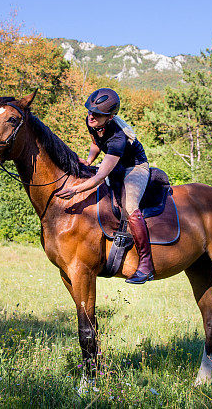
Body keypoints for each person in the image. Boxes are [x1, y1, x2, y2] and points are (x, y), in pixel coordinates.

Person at [55, 88, 154, 283]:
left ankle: (146, 263)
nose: (91, 116)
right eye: (90, 111)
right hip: (113, 163)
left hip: (133, 167)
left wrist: (74, 189)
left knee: (130, 206)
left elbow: (100, 177)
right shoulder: (92, 121)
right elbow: (96, 142)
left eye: (97, 114)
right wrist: (89, 160)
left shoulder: (118, 137)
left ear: (109, 117)